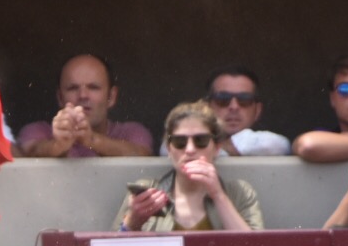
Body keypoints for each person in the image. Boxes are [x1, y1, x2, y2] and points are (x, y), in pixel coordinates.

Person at [113, 101, 264, 232]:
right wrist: (132, 222)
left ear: (217, 148)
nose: (190, 149)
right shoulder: (146, 192)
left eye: (201, 141)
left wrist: (218, 196)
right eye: (180, 142)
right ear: (169, 149)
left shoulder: (239, 193)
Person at [17, 53, 154, 158]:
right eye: (72, 88)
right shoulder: (37, 131)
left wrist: (91, 140)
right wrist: (59, 145)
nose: (83, 95)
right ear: (60, 97)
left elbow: (142, 155)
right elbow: (27, 153)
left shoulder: (133, 132)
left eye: (93, 87)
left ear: (111, 97)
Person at [193, 66, 288, 157]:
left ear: (257, 110)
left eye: (244, 99)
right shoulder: (188, 144)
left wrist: (222, 146)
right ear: (207, 108)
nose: (234, 107)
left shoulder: (271, 143)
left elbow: (275, 144)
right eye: (223, 99)